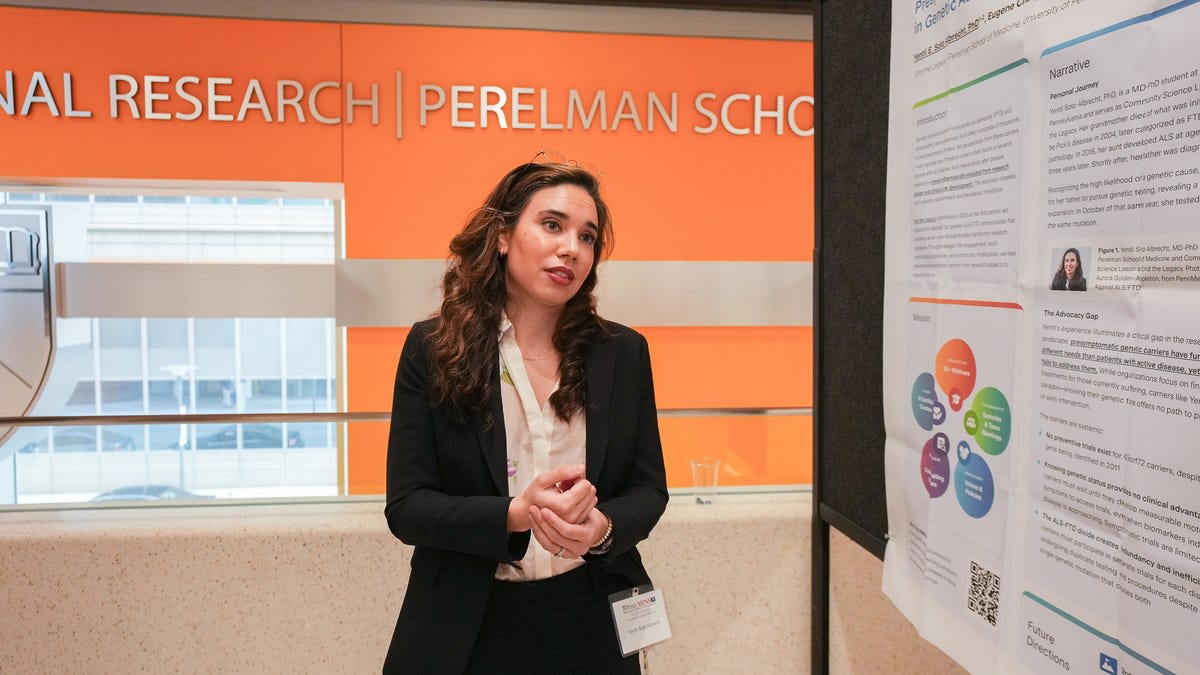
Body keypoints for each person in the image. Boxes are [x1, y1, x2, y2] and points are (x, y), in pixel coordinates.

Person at [383, 156, 668, 674]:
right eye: (552, 225)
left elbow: (648, 490)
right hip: (469, 620)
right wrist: (516, 515)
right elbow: (407, 507)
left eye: (587, 237)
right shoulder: (434, 348)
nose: (571, 249)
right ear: (502, 235)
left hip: (592, 613)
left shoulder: (623, 353)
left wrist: (600, 529)